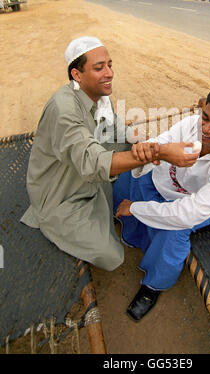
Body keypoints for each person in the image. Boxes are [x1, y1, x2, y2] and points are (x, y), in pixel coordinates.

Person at [21, 36, 198, 271]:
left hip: (86, 177)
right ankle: (51, 222)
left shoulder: (99, 97)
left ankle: (106, 205)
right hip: (61, 193)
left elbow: (115, 129)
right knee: (112, 256)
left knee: (131, 150)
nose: (109, 73)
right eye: (99, 67)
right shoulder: (63, 109)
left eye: (110, 65)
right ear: (77, 74)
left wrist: (141, 141)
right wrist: (161, 152)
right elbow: (93, 163)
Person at [113, 84, 210, 321]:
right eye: (205, 118)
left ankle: (153, 287)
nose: (206, 130)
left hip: (202, 204)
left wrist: (135, 208)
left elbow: (189, 213)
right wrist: (151, 148)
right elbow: (165, 140)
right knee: (130, 178)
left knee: (174, 232)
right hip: (170, 180)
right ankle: (126, 223)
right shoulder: (191, 124)